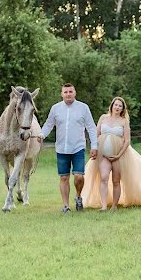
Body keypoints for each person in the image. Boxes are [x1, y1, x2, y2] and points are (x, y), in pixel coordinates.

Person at [83, 96, 141, 210]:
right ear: (112, 106)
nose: (117, 107)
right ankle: (103, 206)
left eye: (120, 106)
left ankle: (114, 206)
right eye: (116, 105)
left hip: (118, 156)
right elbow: (96, 135)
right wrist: (94, 148)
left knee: (116, 180)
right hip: (103, 155)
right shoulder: (103, 118)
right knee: (103, 178)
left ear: (123, 109)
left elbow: (127, 141)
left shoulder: (124, 121)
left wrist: (118, 155)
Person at [38, 83, 98, 214]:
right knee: (64, 178)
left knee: (79, 177)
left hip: (78, 148)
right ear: (62, 94)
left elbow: (91, 127)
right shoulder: (55, 108)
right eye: (65, 92)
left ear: (75, 93)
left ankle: (78, 196)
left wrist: (94, 145)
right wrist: (42, 134)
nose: (68, 94)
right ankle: (66, 206)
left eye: (70, 91)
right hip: (61, 149)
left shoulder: (83, 108)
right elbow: (48, 124)